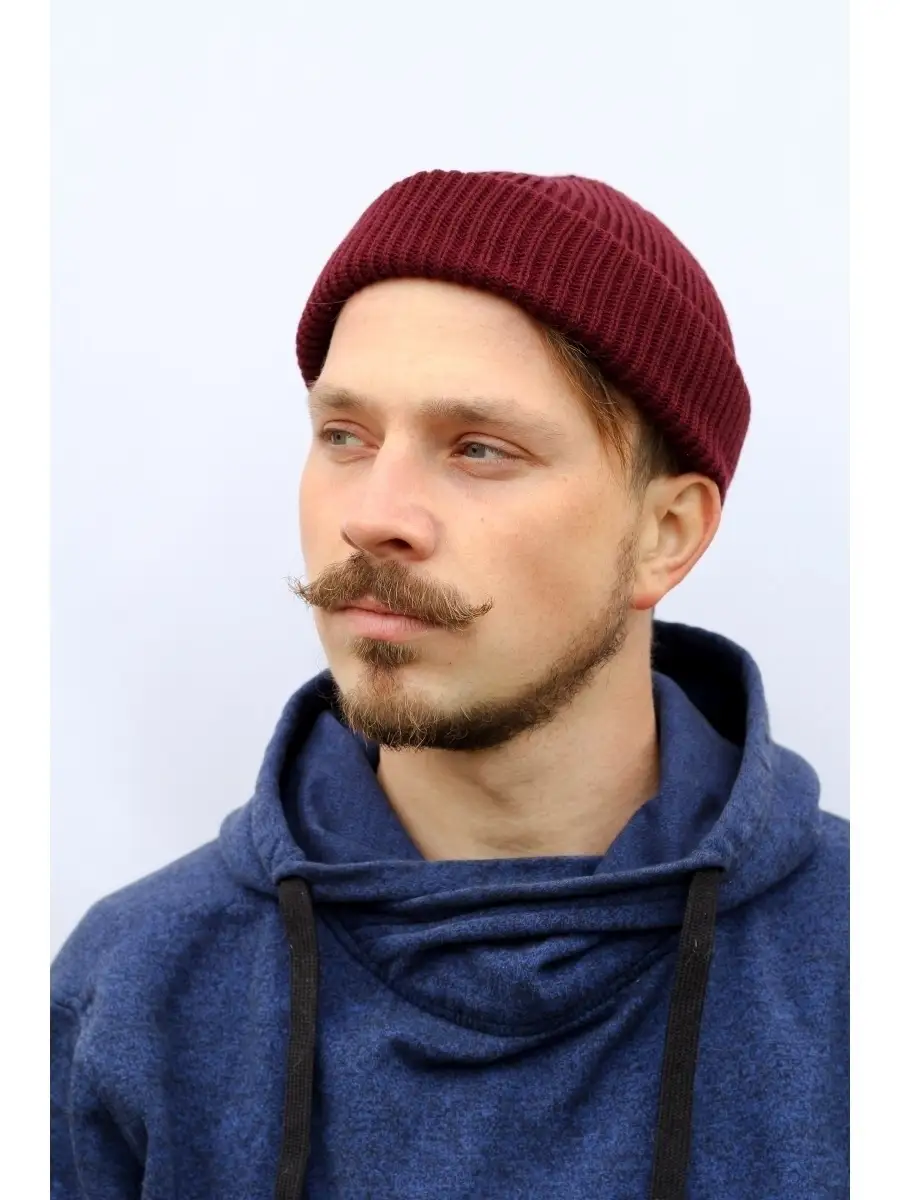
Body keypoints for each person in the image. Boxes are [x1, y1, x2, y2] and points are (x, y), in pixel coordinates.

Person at [51, 169, 849, 1200]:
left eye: (478, 449)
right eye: (345, 436)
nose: (373, 516)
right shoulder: (127, 998)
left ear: (666, 533)